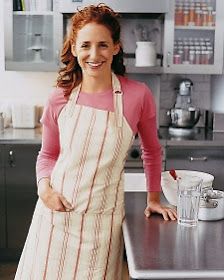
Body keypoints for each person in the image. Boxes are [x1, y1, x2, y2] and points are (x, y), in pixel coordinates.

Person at [15, 4, 177, 280]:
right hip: (55, 216)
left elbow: (152, 151)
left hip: (102, 223)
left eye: (103, 45)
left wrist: (153, 199)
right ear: (74, 48)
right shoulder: (60, 97)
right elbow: (48, 155)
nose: (94, 54)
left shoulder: (137, 96)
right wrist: (44, 190)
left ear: (115, 48)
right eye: (86, 45)